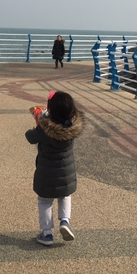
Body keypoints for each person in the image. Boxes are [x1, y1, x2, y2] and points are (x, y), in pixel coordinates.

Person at [25, 91, 84, 246]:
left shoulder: (44, 129)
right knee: (65, 196)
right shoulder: (71, 128)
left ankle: (47, 234)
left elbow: (30, 137)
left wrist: (38, 124)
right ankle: (65, 221)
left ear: (50, 111)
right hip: (66, 174)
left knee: (45, 201)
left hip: (47, 174)